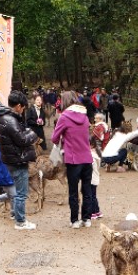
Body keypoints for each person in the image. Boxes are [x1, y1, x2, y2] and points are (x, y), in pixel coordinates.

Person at [0, 90, 39, 230]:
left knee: (16, 191)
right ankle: (20, 221)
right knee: (21, 193)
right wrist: (32, 133)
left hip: (11, 159)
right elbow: (22, 139)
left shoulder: (3, 117)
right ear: (19, 106)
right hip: (17, 160)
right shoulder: (10, 120)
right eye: (23, 107)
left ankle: (16, 215)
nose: (24, 110)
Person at [52, 89, 94, 228]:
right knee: (87, 189)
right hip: (87, 158)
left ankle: (75, 220)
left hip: (73, 159)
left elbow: (54, 138)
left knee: (73, 191)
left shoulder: (64, 117)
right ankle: (87, 219)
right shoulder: (85, 116)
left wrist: (64, 139)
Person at [89, 132, 102, 219]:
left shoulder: (91, 156)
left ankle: (92, 212)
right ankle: (97, 211)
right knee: (93, 195)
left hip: (91, 178)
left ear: (92, 145)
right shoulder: (97, 153)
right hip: (95, 178)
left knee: (90, 196)